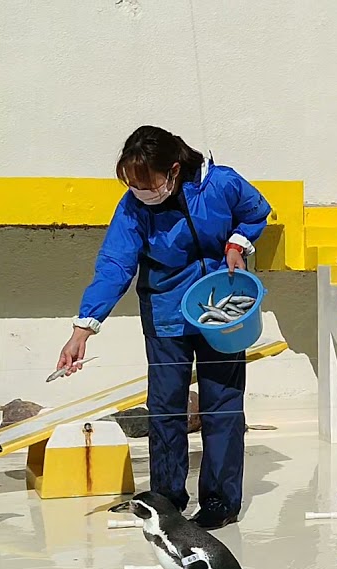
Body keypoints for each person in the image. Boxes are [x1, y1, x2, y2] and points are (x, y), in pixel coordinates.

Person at [57, 125, 271, 530]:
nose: (140, 191)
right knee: (166, 409)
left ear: (173, 170)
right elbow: (116, 263)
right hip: (166, 312)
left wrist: (237, 243)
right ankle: (167, 497)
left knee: (221, 406)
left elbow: (256, 210)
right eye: (132, 184)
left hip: (222, 309)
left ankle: (220, 500)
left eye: (147, 183)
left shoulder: (219, 183)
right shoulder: (133, 207)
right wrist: (84, 327)